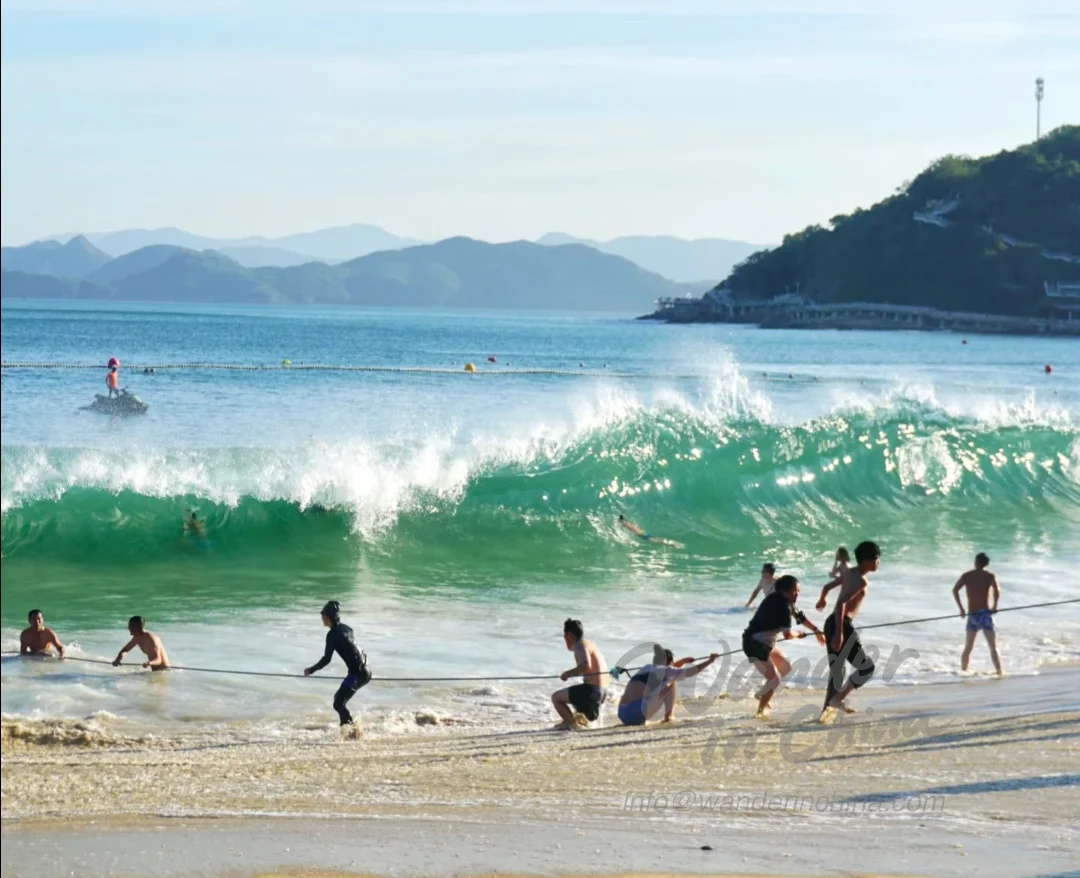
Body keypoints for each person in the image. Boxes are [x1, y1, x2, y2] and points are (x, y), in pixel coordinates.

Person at [742, 576, 825, 716]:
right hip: (755, 644)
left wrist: (816, 631)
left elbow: (800, 617)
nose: (797, 594)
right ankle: (760, 711)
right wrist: (799, 635)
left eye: (798, 591)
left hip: (766, 643)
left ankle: (763, 693)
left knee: (786, 666)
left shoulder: (787, 601)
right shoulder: (782, 606)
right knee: (775, 680)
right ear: (783, 591)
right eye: (794, 592)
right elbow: (787, 635)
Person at [820, 541, 880, 719]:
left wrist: (822, 599)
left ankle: (826, 713)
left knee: (837, 670)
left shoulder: (848, 572)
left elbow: (827, 587)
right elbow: (841, 604)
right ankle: (838, 699)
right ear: (868, 561)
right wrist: (839, 633)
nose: (878, 562)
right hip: (841, 624)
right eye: (877, 559)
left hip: (831, 622)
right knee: (867, 667)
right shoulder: (861, 580)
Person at [304, 601, 370, 727]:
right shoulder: (347, 628)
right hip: (365, 670)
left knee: (338, 703)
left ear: (327, 617)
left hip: (358, 673)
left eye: (322, 616)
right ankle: (348, 730)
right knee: (338, 700)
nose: (321, 619)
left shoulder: (332, 635)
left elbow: (326, 659)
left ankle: (352, 731)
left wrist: (311, 670)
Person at [617, 646, 720, 726]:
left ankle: (667, 716)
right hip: (638, 714)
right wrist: (710, 661)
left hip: (623, 713)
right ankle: (668, 717)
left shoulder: (646, 668)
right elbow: (691, 672)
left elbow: (669, 670)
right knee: (671, 681)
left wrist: (683, 661)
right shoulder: (663, 670)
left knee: (669, 679)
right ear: (668, 660)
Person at [551, 618, 611, 730]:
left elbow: (585, 665)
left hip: (593, 691)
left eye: (564, 636)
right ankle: (576, 721)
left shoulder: (579, 645)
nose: (565, 639)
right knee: (576, 696)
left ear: (569, 634)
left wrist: (567, 674)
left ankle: (570, 723)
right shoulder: (590, 644)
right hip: (604, 691)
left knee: (556, 697)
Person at [952, 552, 1003, 675]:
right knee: (993, 646)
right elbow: (997, 590)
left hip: (972, 614)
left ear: (975, 562)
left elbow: (955, 590)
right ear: (987, 564)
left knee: (968, 646)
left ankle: (964, 671)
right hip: (985, 614)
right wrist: (994, 606)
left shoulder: (967, 575)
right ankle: (999, 672)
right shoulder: (989, 576)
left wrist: (961, 609)